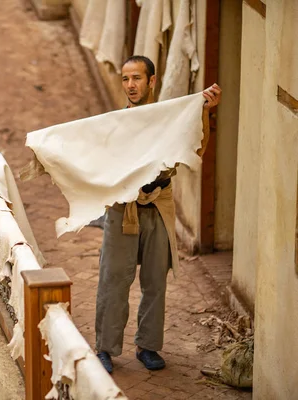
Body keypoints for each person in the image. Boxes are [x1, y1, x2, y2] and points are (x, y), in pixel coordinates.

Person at [94, 55, 222, 373]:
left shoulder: (169, 118)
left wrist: (203, 111)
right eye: (125, 79)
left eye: (136, 78)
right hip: (123, 210)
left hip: (158, 207)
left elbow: (197, 147)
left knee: (155, 282)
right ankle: (105, 349)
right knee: (114, 280)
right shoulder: (118, 121)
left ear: (152, 81)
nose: (130, 85)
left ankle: (148, 346)